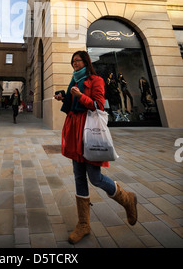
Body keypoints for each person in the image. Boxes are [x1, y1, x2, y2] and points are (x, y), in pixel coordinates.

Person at [54, 50, 137, 245]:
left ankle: (127, 199)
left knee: (95, 177)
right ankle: (84, 224)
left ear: (86, 62)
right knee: (78, 177)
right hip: (74, 131)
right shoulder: (74, 80)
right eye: (72, 61)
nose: (75, 63)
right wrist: (63, 96)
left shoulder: (96, 80)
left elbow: (99, 105)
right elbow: (71, 102)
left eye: (78, 60)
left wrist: (81, 96)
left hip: (88, 132)